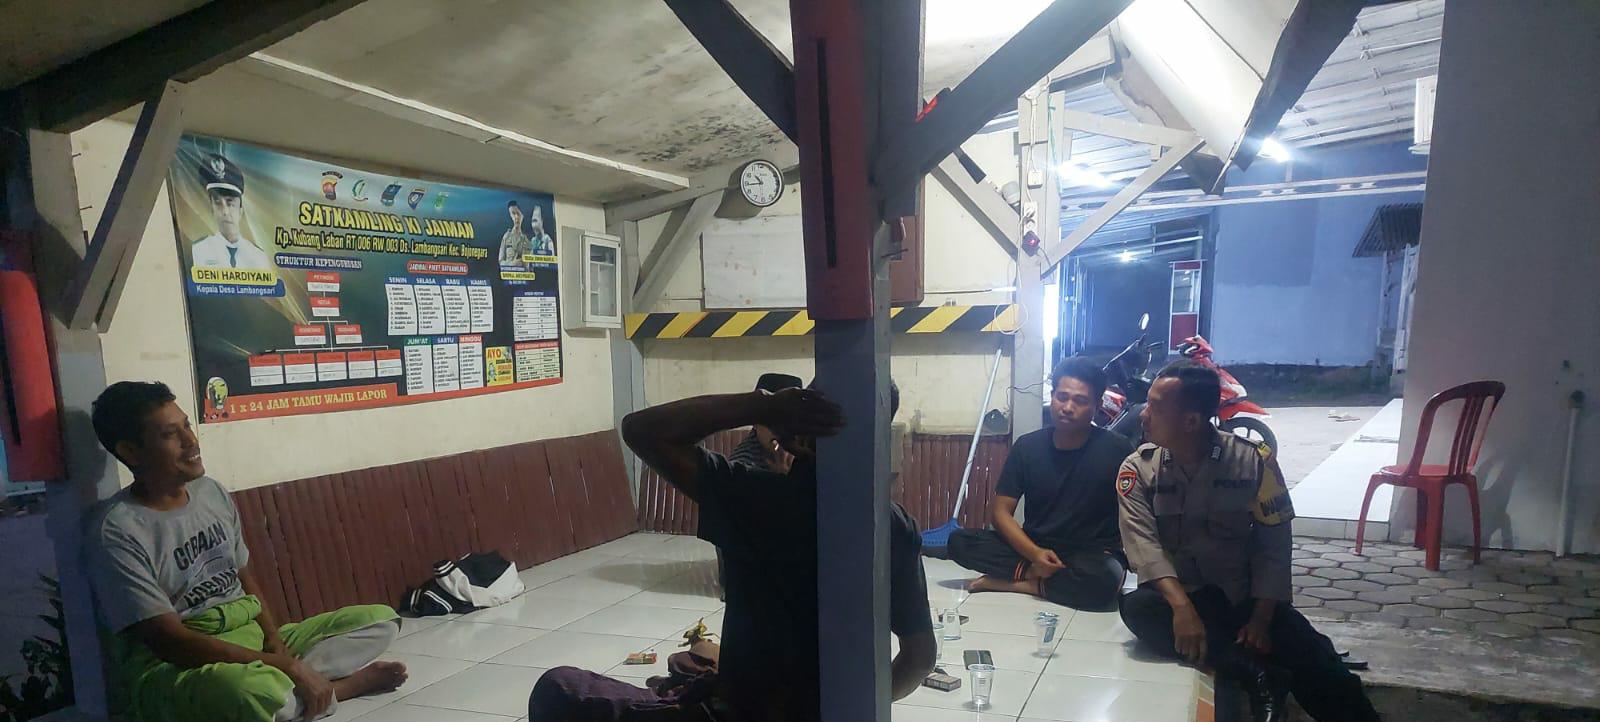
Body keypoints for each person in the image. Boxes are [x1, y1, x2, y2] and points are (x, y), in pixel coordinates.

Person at [530, 381, 937, 722]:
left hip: (739, 713)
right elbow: (919, 658)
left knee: (559, 687)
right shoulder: (894, 526)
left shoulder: (757, 499)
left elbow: (641, 429)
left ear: (795, 433)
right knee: (696, 660)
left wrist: (761, 405)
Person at [84, 382, 406, 722]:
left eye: (187, 426)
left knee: (381, 621)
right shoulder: (117, 530)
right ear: (131, 452)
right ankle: (338, 688)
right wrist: (288, 666)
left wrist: (277, 646)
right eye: (170, 434)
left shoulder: (210, 493)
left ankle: (293, 690)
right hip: (182, 664)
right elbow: (171, 641)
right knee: (247, 691)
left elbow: (243, 576)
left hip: (250, 639)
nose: (191, 441)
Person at [1117, 361, 1380, 722]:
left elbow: (1275, 545)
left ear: (1191, 421)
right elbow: (1143, 546)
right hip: (1182, 596)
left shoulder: (1254, 462)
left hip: (1243, 597)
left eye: (1155, 407)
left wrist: (1261, 619)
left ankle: (1256, 660)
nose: (1143, 415)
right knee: (1137, 609)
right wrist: (1182, 608)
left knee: (1322, 667)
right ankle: (1256, 672)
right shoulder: (1138, 469)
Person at [945, 357, 1133, 611]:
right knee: (959, 542)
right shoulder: (1028, 446)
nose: (1068, 407)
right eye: (1062, 397)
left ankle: (1023, 584)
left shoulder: (1117, 449)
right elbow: (1000, 513)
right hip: (1034, 547)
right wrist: (1034, 554)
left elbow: (1134, 511)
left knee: (1106, 579)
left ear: (1098, 405)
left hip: (1091, 553)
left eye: (1080, 401)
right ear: (1052, 396)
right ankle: (1040, 576)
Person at [190, 154, 273, 270]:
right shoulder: (198, 251)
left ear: (240, 211)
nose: (225, 211)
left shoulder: (258, 257)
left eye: (230, 203)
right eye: (218, 203)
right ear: (212, 209)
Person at [498, 201, 532, 265]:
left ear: (522, 215)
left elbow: (529, 263)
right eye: (513, 213)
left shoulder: (528, 239)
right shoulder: (506, 237)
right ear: (510, 215)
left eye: (518, 213)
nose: (516, 217)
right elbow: (501, 261)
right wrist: (511, 264)